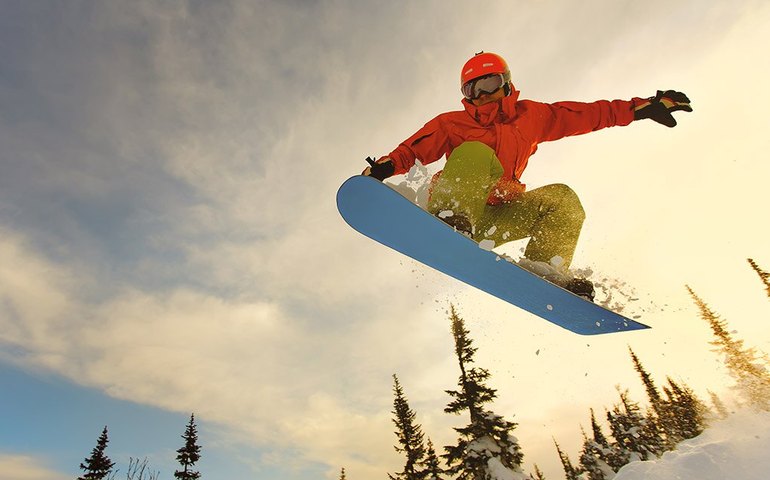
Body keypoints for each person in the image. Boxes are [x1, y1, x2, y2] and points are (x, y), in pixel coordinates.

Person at [362, 52, 691, 300]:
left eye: (487, 84)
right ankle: (450, 220)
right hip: (458, 205)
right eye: (471, 89)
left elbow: (586, 115)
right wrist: (384, 167)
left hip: (496, 218)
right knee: (476, 153)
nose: (480, 95)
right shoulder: (452, 122)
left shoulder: (533, 116)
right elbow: (413, 149)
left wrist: (642, 107)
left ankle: (545, 268)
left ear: (505, 82)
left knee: (562, 198)